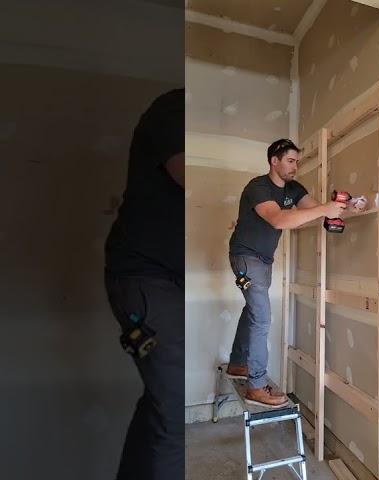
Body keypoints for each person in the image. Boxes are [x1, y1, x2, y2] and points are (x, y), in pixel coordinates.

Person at [226, 138, 347, 407]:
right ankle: (256, 387)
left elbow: (315, 211)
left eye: (297, 162)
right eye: (290, 161)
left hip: (263, 260)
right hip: (245, 258)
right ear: (274, 161)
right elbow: (278, 219)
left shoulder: (294, 189)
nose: (295, 167)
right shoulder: (258, 187)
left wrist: (344, 208)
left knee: (253, 312)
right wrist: (325, 209)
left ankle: (237, 363)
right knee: (263, 319)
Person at [103, 88, 185, 480]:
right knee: (176, 412)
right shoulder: (176, 107)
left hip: (162, 279)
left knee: (162, 403)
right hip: (147, 278)